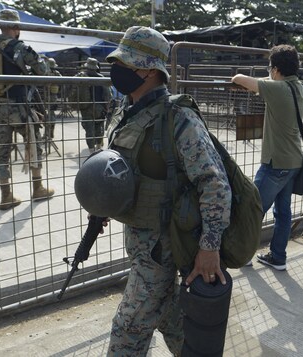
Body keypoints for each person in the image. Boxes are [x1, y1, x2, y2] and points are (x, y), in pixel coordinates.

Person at [102, 26, 231, 355]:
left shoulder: (177, 117)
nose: (117, 70)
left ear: (146, 70)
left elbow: (214, 183)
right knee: (170, 316)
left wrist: (209, 247)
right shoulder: (128, 112)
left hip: (163, 244)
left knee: (128, 328)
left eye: (125, 64)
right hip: (139, 238)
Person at [231, 45, 303, 271]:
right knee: (283, 212)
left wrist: (236, 75)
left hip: (275, 164)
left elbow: (240, 78)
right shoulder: (298, 86)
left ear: (275, 69)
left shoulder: (278, 89)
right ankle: (278, 256)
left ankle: (243, 255)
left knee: (251, 209)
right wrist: (271, 75)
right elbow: (268, 81)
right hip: (294, 161)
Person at [0, 9, 54, 210]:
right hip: (18, 106)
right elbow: (43, 71)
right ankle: (37, 187)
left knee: (2, 153)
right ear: (16, 27)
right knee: (34, 144)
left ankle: (6, 196)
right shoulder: (20, 47)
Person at [76, 57, 112, 153]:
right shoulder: (101, 78)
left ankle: (91, 151)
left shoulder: (81, 77)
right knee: (99, 127)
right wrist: (107, 108)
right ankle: (99, 148)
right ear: (96, 67)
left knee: (89, 130)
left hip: (86, 107)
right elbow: (108, 95)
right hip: (100, 108)